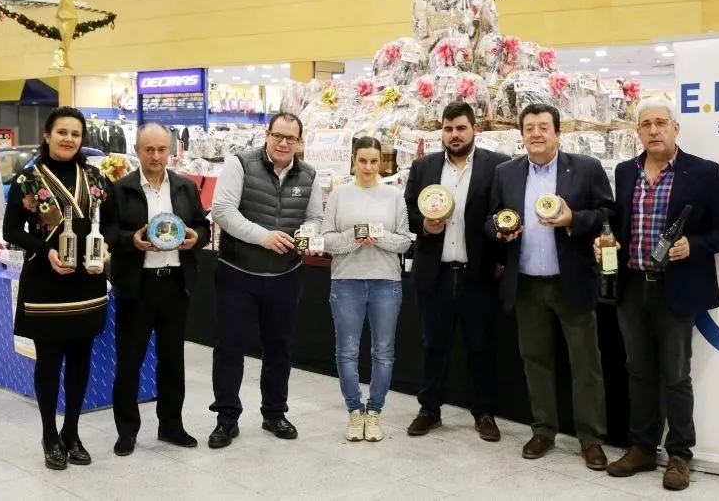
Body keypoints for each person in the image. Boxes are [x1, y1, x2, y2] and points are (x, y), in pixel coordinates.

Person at [597, 97, 719, 491]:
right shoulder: (625, 172)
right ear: (637, 132)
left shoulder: (703, 173)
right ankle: (642, 447)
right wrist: (606, 243)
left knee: (675, 375)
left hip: (676, 291)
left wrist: (694, 245)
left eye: (661, 123)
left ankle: (679, 454)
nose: (653, 130)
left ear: (676, 128)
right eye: (646, 124)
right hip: (630, 288)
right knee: (638, 372)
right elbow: (618, 227)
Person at [484, 103, 614, 466]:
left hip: (571, 282)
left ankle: (590, 438)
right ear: (521, 134)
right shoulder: (506, 172)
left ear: (558, 133)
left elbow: (608, 214)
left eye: (544, 127)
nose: (536, 133)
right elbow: (491, 219)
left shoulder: (586, 169)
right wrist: (499, 231)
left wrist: (574, 219)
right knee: (535, 360)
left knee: (585, 363)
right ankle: (543, 430)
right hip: (526, 285)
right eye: (530, 128)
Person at [2, 106, 113, 471]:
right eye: (61, 132)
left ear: (82, 139)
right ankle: (50, 435)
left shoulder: (95, 177)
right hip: (46, 282)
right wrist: (45, 250)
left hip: (88, 281)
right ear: (47, 135)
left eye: (75, 134)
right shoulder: (28, 179)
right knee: (49, 361)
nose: (68, 139)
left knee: (82, 359)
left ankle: (72, 432)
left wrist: (107, 246)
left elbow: (110, 223)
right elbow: (11, 231)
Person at [207, 112, 322, 447]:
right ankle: (227, 418)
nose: (284, 143)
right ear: (267, 135)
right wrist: (264, 237)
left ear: (300, 142)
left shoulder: (309, 175)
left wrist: (306, 235)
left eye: (291, 138)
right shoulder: (239, 164)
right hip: (237, 273)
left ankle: (274, 413)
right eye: (278, 136)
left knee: (280, 347)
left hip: (286, 275)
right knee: (230, 347)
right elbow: (223, 211)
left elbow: (314, 217)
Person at [402, 102, 509, 441]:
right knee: (433, 344)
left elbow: (503, 213)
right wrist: (425, 227)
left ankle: (484, 412)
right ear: (442, 133)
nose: (454, 135)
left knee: (481, 346)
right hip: (434, 273)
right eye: (448, 129)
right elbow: (407, 210)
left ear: (473, 129)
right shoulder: (424, 167)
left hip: (477, 274)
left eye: (461, 128)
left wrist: (502, 256)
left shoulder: (498, 166)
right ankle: (430, 408)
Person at [103, 123, 211, 457]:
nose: (156, 156)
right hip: (136, 286)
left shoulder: (185, 187)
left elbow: (201, 225)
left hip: (175, 283)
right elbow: (108, 232)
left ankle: (171, 426)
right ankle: (127, 430)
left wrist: (197, 237)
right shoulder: (119, 190)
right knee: (129, 361)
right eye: (149, 149)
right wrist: (131, 241)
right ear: (137, 151)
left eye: (162, 149)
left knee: (172, 359)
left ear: (170, 151)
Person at [321, 137, 414, 442]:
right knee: (346, 351)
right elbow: (327, 241)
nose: (368, 167)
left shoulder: (394, 196)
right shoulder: (338, 195)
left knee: (383, 352)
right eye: (363, 160)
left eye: (374, 161)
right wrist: (353, 237)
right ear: (354, 160)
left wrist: (379, 237)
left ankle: (374, 412)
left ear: (381, 162)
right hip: (346, 281)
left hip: (386, 282)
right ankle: (354, 411)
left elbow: (404, 241)